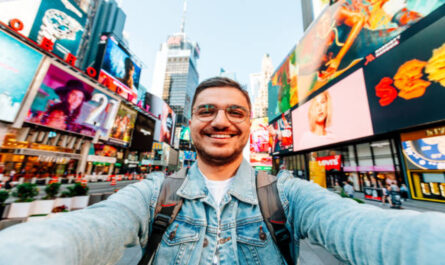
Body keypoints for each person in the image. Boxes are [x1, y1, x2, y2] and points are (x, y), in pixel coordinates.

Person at [0, 77, 445, 265]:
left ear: (249, 124)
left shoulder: (286, 194)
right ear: (190, 123)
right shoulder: (153, 193)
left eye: (235, 111)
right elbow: (84, 230)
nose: (220, 121)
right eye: (206, 111)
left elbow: (372, 231)